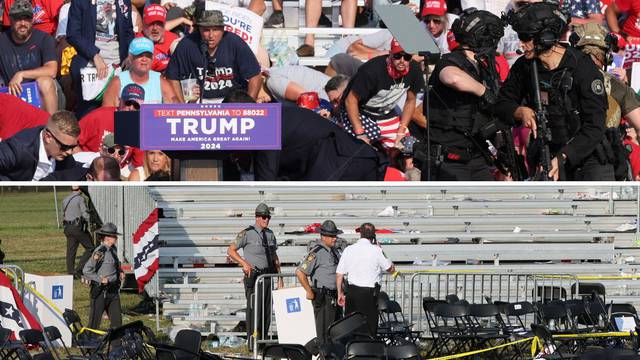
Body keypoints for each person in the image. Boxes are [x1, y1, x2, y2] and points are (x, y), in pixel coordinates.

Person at [498, 2, 615, 180]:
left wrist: (563, 156)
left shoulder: (582, 68)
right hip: (546, 153)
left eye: (526, 37)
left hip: (587, 158)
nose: (522, 44)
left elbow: (595, 126)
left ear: (545, 36)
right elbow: (501, 103)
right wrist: (519, 111)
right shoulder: (524, 67)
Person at [222, 90, 385, 181]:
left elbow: (266, 183)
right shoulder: (272, 116)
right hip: (346, 159)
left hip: (346, 163)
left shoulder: (265, 124)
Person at [426, 8, 505, 181]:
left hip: (477, 157)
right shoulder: (451, 60)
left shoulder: (485, 68)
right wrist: (484, 92)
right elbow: (452, 78)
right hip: (449, 160)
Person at [571, 22, 640, 180]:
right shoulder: (616, 86)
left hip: (564, 160)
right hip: (604, 164)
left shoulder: (561, 82)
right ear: (607, 55)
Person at [336, 39, 424, 149]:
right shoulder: (372, 70)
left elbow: (411, 100)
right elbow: (350, 100)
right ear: (390, 54)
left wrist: (402, 130)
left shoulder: (415, 69)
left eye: (406, 57)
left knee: (406, 150)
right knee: (360, 151)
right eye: (397, 56)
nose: (402, 60)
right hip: (360, 113)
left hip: (386, 113)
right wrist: (360, 133)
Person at [165, 9, 262, 103]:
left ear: (223, 30)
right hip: (197, 100)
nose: (211, 35)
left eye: (215, 30)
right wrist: (182, 108)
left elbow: (255, 75)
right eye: (206, 30)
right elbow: (172, 77)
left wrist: (249, 106)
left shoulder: (235, 42)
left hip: (232, 100)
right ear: (199, 29)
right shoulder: (187, 44)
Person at [227, 203, 283, 349]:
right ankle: (253, 342)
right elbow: (231, 250)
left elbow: (275, 257)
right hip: (255, 277)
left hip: (268, 276)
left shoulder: (270, 234)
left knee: (266, 309)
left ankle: (263, 341)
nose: (266, 220)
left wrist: (280, 277)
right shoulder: (247, 233)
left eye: (268, 217)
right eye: (264, 217)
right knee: (254, 309)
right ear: (257, 217)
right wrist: (244, 263)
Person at [66, 0, 133, 116]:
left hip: (118, 63)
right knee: (88, 114)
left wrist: (130, 53)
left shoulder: (124, 2)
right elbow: (73, 34)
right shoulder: (80, 2)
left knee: (117, 112)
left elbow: (128, 31)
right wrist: (94, 55)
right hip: (89, 63)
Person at [336, 223, 395, 336]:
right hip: (369, 293)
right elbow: (390, 269)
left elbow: (339, 274)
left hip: (352, 292)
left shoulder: (349, 249)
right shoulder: (376, 250)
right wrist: (382, 250)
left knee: (352, 327)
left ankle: (352, 350)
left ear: (360, 234)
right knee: (369, 327)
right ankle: (368, 351)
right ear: (373, 236)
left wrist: (340, 293)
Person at [0, 0, 59, 114]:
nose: (23, 23)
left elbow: (52, 70)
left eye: (26, 18)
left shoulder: (44, 38)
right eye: (18, 18)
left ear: (32, 20)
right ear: (11, 20)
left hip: (42, 93)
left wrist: (21, 74)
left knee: (45, 81)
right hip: (12, 92)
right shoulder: (2, 41)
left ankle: (53, 126)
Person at [295, 220, 343, 342]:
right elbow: (300, 272)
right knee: (324, 334)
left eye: (335, 236)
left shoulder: (334, 251)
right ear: (323, 236)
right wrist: (309, 291)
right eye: (331, 236)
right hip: (323, 297)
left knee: (336, 332)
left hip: (334, 296)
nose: (334, 239)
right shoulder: (316, 252)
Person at [0, 110, 83, 181]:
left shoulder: (64, 153)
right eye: (65, 147)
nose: (69, 152)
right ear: (48, 137)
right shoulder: (17, 149)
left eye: (73, 147)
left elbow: (74, 170)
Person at [102, 37, 177, 106]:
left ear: (152, 58)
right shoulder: (118, 81)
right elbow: (107, 114)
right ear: (130, 58)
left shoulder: (159, 80)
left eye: (148, 55)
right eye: (139, 55)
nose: (144, 59)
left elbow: (175, 109)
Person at [82, 222, 124, 329]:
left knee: (117, 321)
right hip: (101, 291)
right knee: (94, 322)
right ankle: (89, 342)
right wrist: (100, 279)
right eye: (114, 236)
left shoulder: (113, 250)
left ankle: (116, 344)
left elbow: (115, 264)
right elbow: (86, 270)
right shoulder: (100, 252)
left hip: (113, 291)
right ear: (107, 238)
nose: (116, 238)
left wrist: (120, 272)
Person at [136, 4, 180, 73]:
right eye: (151, 23)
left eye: (159, 23)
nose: (155, 28)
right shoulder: (138, 43)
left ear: (164, 24)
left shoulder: (173, 38)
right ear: (143, 24)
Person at [62, 186, 94, 279]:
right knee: (90, 248)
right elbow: (85, 214)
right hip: (78, 227)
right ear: (80, 189)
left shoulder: (65, 200)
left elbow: (63, 215)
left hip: (68, 227)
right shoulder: (80, 199)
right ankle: (79, 269)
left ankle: (70, 273)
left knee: (71, 251)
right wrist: (91, 220)